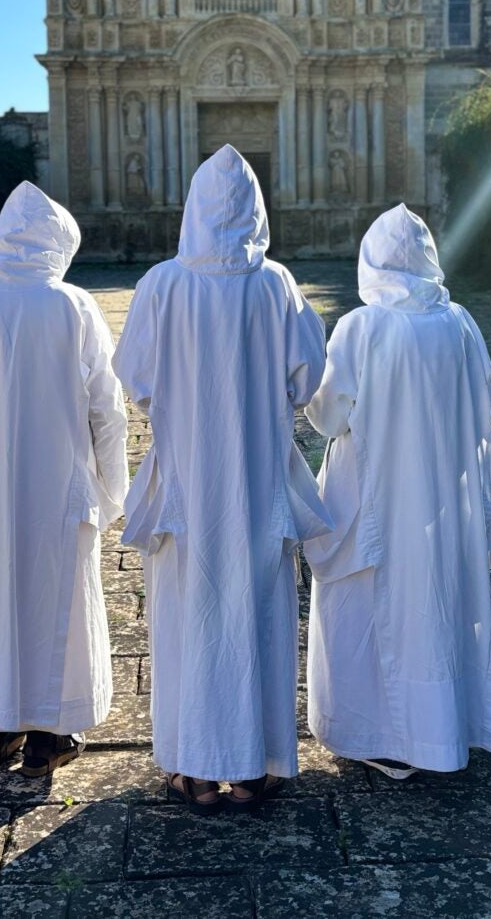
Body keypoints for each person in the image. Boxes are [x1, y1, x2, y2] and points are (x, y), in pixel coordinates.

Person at [113, 145, 330, 813]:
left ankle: (197, 768)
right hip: (259, 480)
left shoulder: (161, 285)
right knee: (259, 618)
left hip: (185, 482)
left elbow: (137, 380)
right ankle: (258, 763)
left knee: (190, 619)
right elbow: (307, 380)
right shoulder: (277, 286)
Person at [0, 182, 128, 776]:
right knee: (53, 598)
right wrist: (113, 491)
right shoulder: (72, 305)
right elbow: (106, 408)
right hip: (58, 483)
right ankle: (51, 733)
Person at [303, 204, 491, 779]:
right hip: (442, 501)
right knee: (438, 602)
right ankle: (445, 725)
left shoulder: (362, 327)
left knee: (369, 610)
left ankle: (380, 732)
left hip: (373, 497)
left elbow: (325, 417)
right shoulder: (459, 323)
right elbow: (488, 400)